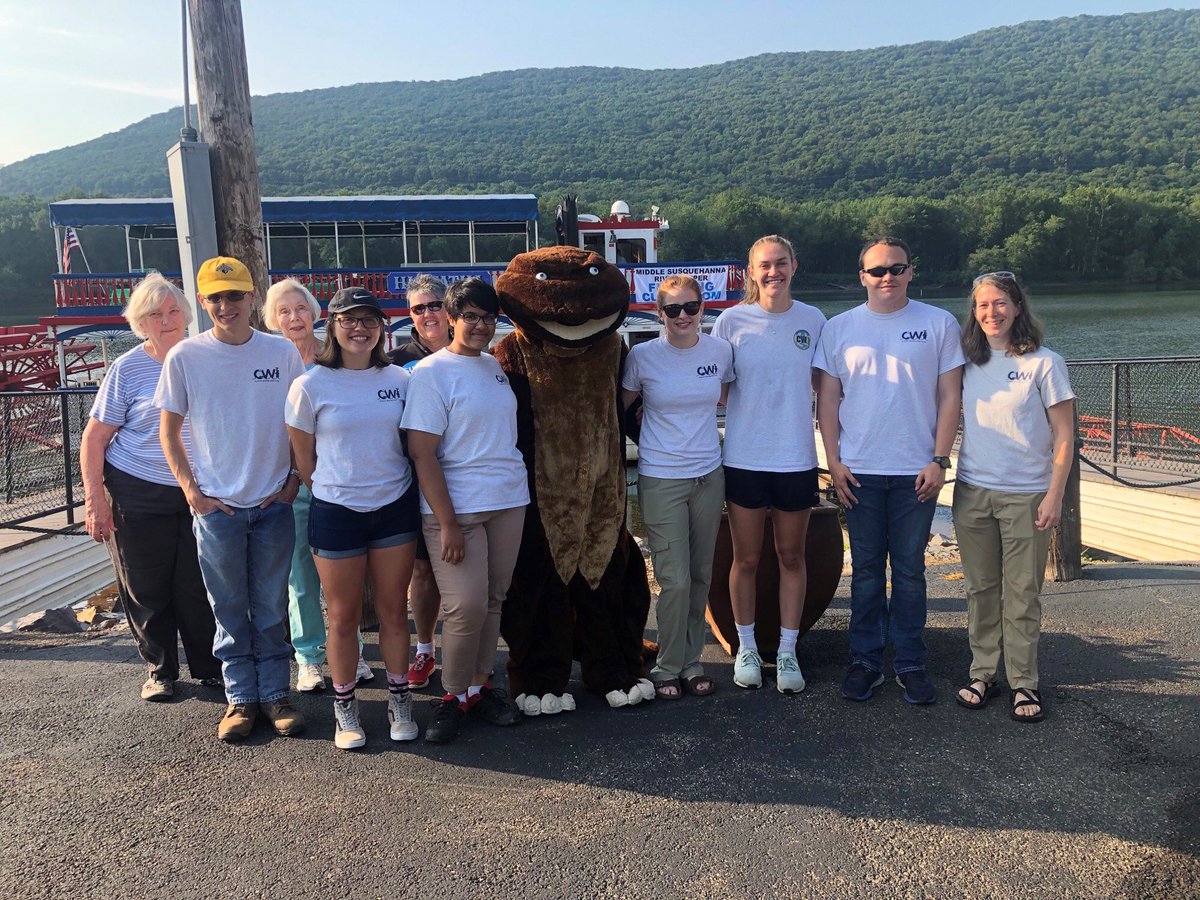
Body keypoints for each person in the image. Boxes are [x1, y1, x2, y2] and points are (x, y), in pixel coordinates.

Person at [156, 256, 306, 742]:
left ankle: (275, 695)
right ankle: (240, 698)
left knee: (269, 605)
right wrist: (192, 492)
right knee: (228, 606)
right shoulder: (186, 357)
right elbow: (169, 432)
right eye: (216, 298)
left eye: (235, 295)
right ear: (203, 302)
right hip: (217, 506)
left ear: (252, 298)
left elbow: (302, 423)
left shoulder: (282, 353)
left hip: (271, 503)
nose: (226, 306)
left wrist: (294, 481)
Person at [816, 237, 965, 705]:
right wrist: (833, 462)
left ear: (910, 271)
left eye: (896, 268)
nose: (887, 277)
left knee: (910, 572)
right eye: (877, 270)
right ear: (861, 276)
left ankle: (911, 663)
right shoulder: (839, 328)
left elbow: (950, 398)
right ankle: (864, 662)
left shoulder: (938, 323)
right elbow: (828, 400)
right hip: (858, 471)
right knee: (863, 573)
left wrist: (940, 460)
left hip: (915, 472)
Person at [287, 287, 420, 749]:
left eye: (369, 320)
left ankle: (399, 700)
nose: (359, 328)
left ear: (382, 328)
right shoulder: (309, 384)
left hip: (393, 508)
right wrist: (333, 489)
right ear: (334, 326)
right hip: (336, 511)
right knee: (341, 616)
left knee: (393, 612)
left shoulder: (401, 380)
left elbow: (413, 444)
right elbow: (303, 459)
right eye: (349, 320)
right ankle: (346, 707)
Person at [80, 273, 220, 701]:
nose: (167, 319)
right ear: (140, 322)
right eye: (155, 314)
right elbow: (95, 438)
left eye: (174, 311)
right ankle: (161, 670)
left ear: (187, 315)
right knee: (146, 585)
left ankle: (210, 666)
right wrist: (95, 500)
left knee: (199, 583)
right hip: (137, 488)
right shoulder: (128, 368)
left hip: (198, 487)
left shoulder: (205, 358)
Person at [401, 277, 529, 744]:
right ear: (451, 319)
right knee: (464, 606)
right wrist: (448, 523)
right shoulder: (431, 373)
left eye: (488, 317)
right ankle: (452, 695)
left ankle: (479, 685)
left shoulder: (494, 367)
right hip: (455, 510)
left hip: (507, 499)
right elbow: (422, 453)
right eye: (470, 316)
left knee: (494, 599)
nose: (480, 325)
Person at [953, 273, 1074, 723]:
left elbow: (1064, 435)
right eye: (982, 305)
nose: (991, 312)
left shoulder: (1045, 363)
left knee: (1023, 592)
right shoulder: (967, 362)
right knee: (981, 590)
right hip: (972, 491)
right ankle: (983, 672)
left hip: (1027, 493)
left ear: (1018, 306)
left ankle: (1024, 681)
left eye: (1000, 303)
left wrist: (1054, 495)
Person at [711, 235, 826, 693]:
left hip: (796, 459)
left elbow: (830, 389)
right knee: (748, 557)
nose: (773, 272)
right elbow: (712, 390)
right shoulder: (731, 322)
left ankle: (787, 650)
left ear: (794, 266)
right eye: (765, 265)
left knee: (791, 556)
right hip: (744, 459)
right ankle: (747, 647)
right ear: (750, 272)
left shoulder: (814, 321)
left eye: (781, 263)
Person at [621, 275, 732, 699]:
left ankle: (691, 661)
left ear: (702, 308)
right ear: (658, 313)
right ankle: (667, 664)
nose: (683, 316)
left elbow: (723, 399)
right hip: (662, 478)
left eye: (690, 307)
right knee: (675, 579)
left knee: (701, 575)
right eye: (672, 309)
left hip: (709, 474)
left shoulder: (720, 352)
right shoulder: (643, 357)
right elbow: (623, 409)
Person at [264, 278, 373, 693]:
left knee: (345, 581)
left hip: (339, 482)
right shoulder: (271, 364)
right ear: (274, 320)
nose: (294, 317)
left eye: (301, 308)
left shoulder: (335, 359)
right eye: (284, 311)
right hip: (291, 484)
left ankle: (354, 652)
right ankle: (309, 657)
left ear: (315, 314)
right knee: (301, 576)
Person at [387, 274, 452, 689]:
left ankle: (476, 655)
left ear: (449, 308)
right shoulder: (394, 363)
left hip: (470, 475)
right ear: (409, 315)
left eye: (434, 305)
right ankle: (425, 649)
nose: (427, 313)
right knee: (424, 572)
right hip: (414, 478)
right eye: (418, 308)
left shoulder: (477, 352)